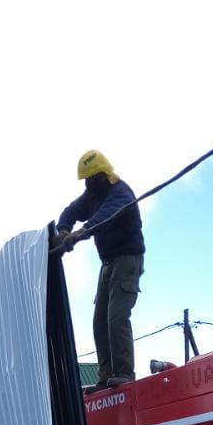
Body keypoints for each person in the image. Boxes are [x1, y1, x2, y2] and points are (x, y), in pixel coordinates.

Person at [55, 151, 145, 390]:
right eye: (85, 181)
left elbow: (103, 219)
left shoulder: (120, 194)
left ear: (101, 176)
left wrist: (79, 234)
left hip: (127, 260)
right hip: (107, 263)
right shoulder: (93, 194)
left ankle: (124, 372)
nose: (87, 185)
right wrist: (64, 230)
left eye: (90, 179)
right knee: (99, 322)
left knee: (116, 318)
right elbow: (70, 211)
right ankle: (106, 376)